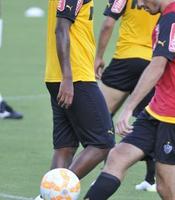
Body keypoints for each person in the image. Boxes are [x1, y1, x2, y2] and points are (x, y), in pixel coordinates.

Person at [83, 0, 175, 199]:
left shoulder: (173, 19)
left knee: (167, 188)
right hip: (158, 109)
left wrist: (128, 108)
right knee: (118, 156)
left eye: (142, 0)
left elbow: (157, 66)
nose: (140, 5)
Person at [35, 0, 115, 199]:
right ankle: (55, 193)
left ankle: (46, 196)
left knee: (65, 146)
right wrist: (68, 78)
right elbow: (61, 29)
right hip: (75, 78)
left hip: (57, 77)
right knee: (103, 142)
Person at [95, 0, 159, 191]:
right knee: (149, 122)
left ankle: (107, 173)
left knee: (100, 119)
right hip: (152, 64)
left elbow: (108, 24)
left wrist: (98, 56)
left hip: (124, 61)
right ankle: (151, 180)